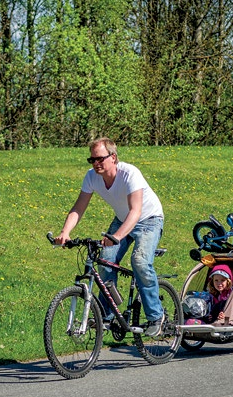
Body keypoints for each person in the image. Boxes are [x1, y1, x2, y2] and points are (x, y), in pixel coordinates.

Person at [54, 137, 165, 336]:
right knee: (104, 262)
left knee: (139, 262)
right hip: (123, 219)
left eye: (99, 159)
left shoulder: (130, 174)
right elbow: (79, 208)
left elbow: (136, 211)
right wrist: (65, 232)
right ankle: (107, 316)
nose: (95, 163)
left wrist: (117, 236)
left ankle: (156, 316)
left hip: (149, 219)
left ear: (113, 157)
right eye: (92, 160)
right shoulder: (91, 177)